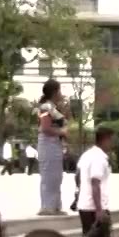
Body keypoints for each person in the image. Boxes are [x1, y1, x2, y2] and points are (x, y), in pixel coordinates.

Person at [76, 127, 116, 237]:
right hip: (94, 207)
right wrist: (99, 209)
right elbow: (95, 183)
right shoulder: (99, 158)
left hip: (85, 205)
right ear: (105, 140)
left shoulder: (87, 154)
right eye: (111, 140)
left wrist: (80, 191)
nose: (112, 144)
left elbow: (77, 176)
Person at [37, 79, 70, 215]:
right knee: (49, 175)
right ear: (54, 92)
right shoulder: (45, 107)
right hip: (47, 144)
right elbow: (45, 128)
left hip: (55, 144)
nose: (61, 93)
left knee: (56, 176)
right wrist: (62, 132)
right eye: (59, 90)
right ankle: (46, 206)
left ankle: (56, 206)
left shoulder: (54, 108)